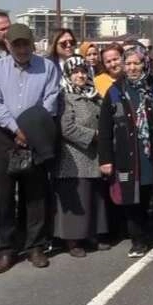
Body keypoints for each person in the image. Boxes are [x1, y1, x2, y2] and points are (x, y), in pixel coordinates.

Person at [0, 24, 61, 273]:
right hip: (5, 136)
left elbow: (50, 100)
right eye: (16, 44)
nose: (21, 49)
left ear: (32, 43)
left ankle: (35, 246)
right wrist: (15, 128)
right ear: (8, 45)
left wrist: (29, 128)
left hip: (36, 134)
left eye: (25, 44)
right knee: (4, 196)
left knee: (35, 194)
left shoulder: (47, 67)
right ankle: (6, 250)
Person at [99, 45, 153, 258]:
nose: (132, 68)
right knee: (133, 201)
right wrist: (106, 159)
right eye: (127, 63)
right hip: (128, 155)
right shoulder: (115, 91)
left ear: (145, 63)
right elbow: (105, 129)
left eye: (136, 63)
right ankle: (138, 241)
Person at [54, 56, 108, 258]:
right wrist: (93, 136)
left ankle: (91, 234)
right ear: (68, 74)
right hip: (74, 157)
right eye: (75, 72)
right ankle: (73, 239)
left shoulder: (94, 94)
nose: (80, 75)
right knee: (77, 197)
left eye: (83, 71)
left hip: (94, 155)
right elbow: (66, 127)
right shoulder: (64, 97)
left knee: (93, 196)